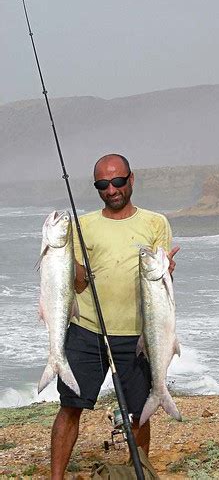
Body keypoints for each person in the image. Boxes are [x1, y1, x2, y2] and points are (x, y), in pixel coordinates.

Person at [50, 153, 179, 479]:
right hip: (87, 329)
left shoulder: (155, 223)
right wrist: (60, 262)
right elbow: (77, 283)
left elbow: (162, 283)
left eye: (118, 181)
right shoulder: (84, 226)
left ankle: (141, 473)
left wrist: (168, 272)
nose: (112, 189)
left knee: (139, 415)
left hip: (138, 333)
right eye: (103, 184)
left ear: (131, 180)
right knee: (70, 408)